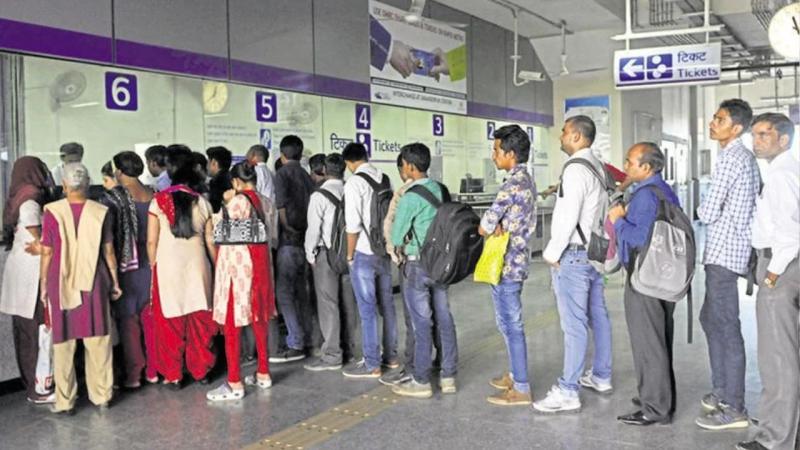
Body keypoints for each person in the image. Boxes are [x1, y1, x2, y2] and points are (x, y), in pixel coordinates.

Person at [534, 115, 613, 413]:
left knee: (574, 324)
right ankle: (602, 375)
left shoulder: (575, 168)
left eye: (565, 132)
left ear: (577, 136)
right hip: (593, 252)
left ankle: (568, 390)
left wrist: (552, 253)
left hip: (575, 254)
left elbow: (567, 216)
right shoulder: (597, 165)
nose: (561, 137)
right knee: (598, 316)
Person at [696, 99, 760, 430]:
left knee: (725, 326)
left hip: (724, 253)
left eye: (719, 120)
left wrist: (701, 210)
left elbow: (707, 212)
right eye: (714, 117)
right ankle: (722, 390)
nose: (712, 123)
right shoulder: (742, 157)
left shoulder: (731, 159)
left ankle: (734, 406)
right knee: (710, 319)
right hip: (726, 251)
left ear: (735, 128)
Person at [37, 163, 122, 414]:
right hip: (94, 280)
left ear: (64, 185)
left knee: (63, 343)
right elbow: (109, 251)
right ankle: (102, 395)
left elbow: (47, 252)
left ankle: (65, 401)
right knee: (98, 339)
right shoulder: (101, 211)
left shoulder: (52, 211)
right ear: (87, 184)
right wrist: (115, 281)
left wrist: (44, 284)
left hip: (60, 281)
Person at [736, 113, 799, 450]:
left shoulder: (781, 177)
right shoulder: (787, 171)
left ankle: (775, 439)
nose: (756, 141)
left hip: (781, 265)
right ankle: (788, 430)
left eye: (765, 135)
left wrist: (772, 273)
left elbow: (790, 233)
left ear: (784, 139)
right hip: (785, 263)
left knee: (777, 358)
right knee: (788, 352)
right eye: (754, 135)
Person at [609, 143, 681, 426]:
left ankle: (655, 407)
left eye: (630, 162)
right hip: (663, 275)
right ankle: (657, 396)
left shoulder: (645, 196)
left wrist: (618, 221)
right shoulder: (664, 190)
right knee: (659, 339)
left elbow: (640, 238)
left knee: (647, 342)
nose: (625, 167)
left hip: (644, 278)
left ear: (646, 167)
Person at [390, 143, 458, 399]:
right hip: (441, 264)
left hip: (418, 264)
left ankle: (421, 380)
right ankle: (448, 376)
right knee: (444, 317)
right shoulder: (441, 189)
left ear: (409, 166)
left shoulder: (410, 196)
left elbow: (396, 237)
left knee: (421, 322)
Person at [206, 162, 277, 401]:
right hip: (261, 270)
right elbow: (272, 236)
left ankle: (234, 382)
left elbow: (218, 234)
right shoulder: (267, 202)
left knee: (232, 326)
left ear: (236, 182)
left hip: (236, 273)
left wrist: (225, 205)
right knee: (259, 320)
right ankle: (263, 373)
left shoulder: (237, 202)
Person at [147, 146, 217, 389]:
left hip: (167, 266)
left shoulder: (158, 201)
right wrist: (217, 265)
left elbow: (151, 241)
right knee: (199, 318)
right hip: (198, 265)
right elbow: (210, 241)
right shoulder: (202, 202)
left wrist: (153, 264)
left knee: (171, 321)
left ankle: (174, 375)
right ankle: (201, 371)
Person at [479, 125, 537, 406]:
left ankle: (522, 387)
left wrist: (493, 225)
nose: (493, 156)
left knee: (511, 325)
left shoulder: (512, 184)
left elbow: (484, 225)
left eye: (496, 150)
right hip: (516, 261)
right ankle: (515, 374)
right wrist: (498, 223)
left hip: (507, 265)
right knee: (507, 323)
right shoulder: (526, 180)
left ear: (510, 154)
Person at [0, 156, 56, 404]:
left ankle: (32, 385)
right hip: (31, 275)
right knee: (35, 333)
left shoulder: (17, 195)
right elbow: (41, 241)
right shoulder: (31, 199)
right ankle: (38, 389)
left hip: (20, 270)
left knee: (26, 333)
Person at [99, 152, 156, 388]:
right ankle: (154, 370)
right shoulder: (155, 194)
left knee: (128, 322)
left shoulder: (113, 199)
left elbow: (107, 239)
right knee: (151, 319)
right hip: (152, 263)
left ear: (119, 172)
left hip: (127, 268)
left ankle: (135, 374)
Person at [342, 142, 398, 379]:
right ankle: (391, 357)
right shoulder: (384, 178)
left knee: (367, 310)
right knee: (387, 306)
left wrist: (349, 255)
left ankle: (372, 364)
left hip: (364, 252)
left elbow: (352, 225)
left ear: (349, 162)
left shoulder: (354, 183)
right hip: (382, 251)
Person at [303, 153, 359, 372]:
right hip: (349, 253)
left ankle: (332, 355)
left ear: (324, 170)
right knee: (348, 303)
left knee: (328, 304)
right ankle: (350, 351)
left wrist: (310, 255)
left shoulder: (319, 195)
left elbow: (313, 230)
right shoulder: (350, 190)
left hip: (326, 255)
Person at [271, 135, 316, 363]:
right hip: (305, 242)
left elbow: (281, 208)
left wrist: (289, 229)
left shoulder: (282, 174)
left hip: (289, 241)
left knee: (284, 293)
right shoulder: (307, 176)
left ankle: (296, 342)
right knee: (302, 293)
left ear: (282, 155)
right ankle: (308, 339)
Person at [206, 146, 233, 213]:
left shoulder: (216, 182)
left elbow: (214, 207)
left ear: (214, 162)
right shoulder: (232, 178)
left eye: (208, 162)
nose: (206, 166)